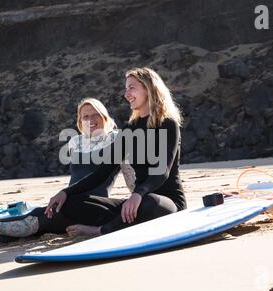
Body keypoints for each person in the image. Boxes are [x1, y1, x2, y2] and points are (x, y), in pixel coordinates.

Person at [0, 98, 134, 249]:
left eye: (96, 115)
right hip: (68, 202)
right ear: (79, 122)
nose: (91, 120)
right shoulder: (75, 143)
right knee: (45, 220)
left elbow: (130, 176)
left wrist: (139, 197)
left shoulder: (116, 139)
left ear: (105, 117)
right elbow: (76, 178)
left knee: (40, 215)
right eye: (85, 117)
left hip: (94, 205)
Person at [46, 67, 187, 237]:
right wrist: (65, 192)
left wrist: (138, 194)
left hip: (165, 202)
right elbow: (102, 172)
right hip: (138, 200)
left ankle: (101, 230)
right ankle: (123, 221)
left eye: (132, 87)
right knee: (70, 202)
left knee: (149, 203)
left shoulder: (167, 124)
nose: (126, 94)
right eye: (126, 88)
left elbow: (162, 171)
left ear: (149, 88)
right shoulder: (130, 128)